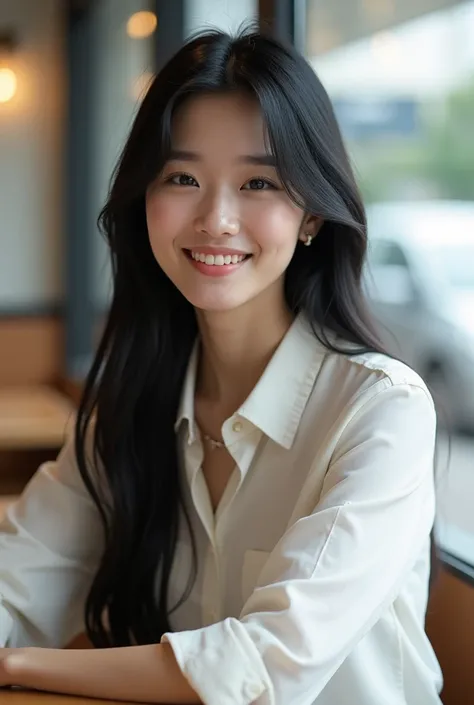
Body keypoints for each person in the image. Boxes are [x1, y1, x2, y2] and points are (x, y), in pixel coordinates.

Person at [0, 27, 442, 705]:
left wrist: (24, 665)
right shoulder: (132, 403)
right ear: (144, 200)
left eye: (258, 181)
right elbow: (18, 577)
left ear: (311, 216)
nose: (217, 218)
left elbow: (266, 665)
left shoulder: (382, 408)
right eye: (182, 178)